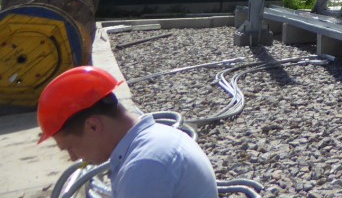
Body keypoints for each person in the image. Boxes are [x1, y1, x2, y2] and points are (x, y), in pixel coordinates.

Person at [37, 66, 217, 198]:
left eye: (70, 147)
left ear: (93, 126)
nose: (73, 158)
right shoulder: (157, 140)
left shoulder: (144, 167)